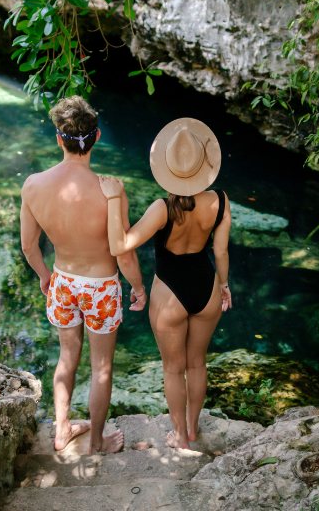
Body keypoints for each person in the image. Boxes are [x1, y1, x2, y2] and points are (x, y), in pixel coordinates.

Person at [20, 96, 146, 454]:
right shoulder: (111, 189)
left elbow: (29, 248)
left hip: (63, 280)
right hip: (102, 287)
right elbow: (122, 252)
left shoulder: (33, 185)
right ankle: (95, 442)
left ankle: (61, 430)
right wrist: (137, 287)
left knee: (66, 356)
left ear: (59, 139)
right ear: (97, 137)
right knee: (101, 366)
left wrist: (45, 275)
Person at [99, 117, 232, 449]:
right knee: (197, 363)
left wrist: (115, 199)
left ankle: (179, 440)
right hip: (207, 289)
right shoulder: (221, 201)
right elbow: (221, 250)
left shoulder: (162, 208)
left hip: (169, 295)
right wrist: (225, 286)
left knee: (173, 370)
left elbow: (120, 247)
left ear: (168, 170)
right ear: (205, 166)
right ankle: (191, 430)